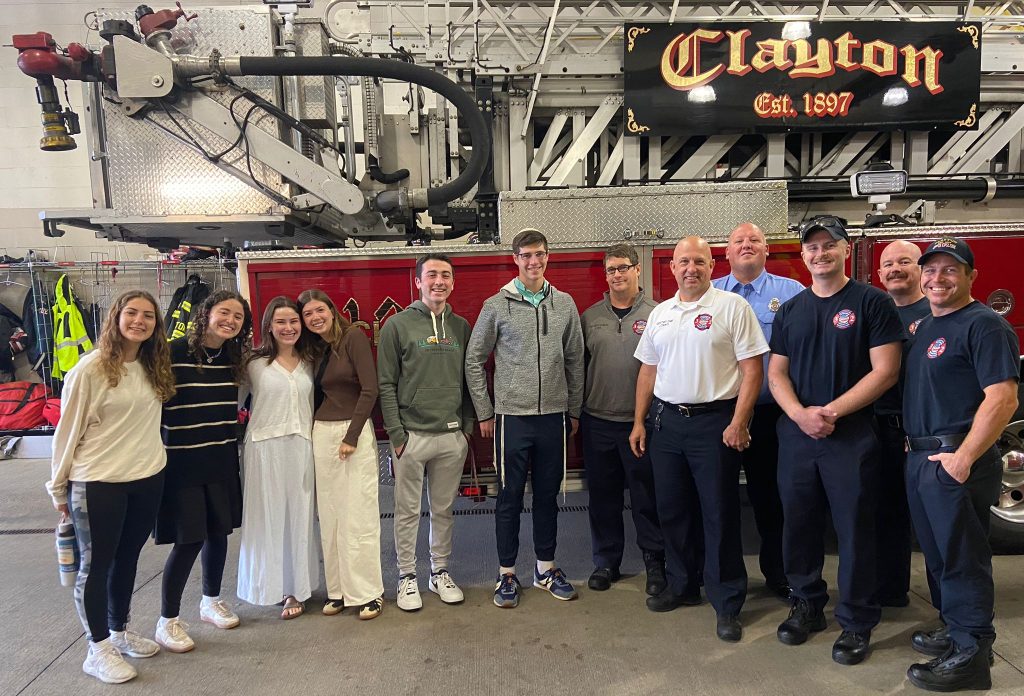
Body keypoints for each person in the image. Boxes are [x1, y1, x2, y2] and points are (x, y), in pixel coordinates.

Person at [767, 215, 903, 666]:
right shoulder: (790, 310)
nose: (819, 253)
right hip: (798, 437)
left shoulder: (872, 303)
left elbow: (886, 371)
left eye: (829, 245)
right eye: (812, 247)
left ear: (846, 249)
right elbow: (776, 371)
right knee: (799, 524)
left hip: (852, 437)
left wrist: (831, 412)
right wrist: (799, 415)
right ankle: (807, 605)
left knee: (855, 530)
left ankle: (857, 621)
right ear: (802, 254)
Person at [630, 236, 767, 642]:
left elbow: (753, 370)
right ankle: (683, 585)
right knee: (672, 509)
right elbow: (647, 372)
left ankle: (727, 602)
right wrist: (639, 422)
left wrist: (740, 423)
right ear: (670, 268)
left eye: (699, 262)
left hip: (715, 424)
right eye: (683, 262)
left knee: (719, 513)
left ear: (712, 265)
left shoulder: (732, 307)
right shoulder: (661, 314)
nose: (691, 269)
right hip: (667, 424)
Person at [902, 238, 1018, 692]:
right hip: (924, 456)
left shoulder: (985, 326)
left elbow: (1003, 398)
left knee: (962, 558)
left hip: (954, 457)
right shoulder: (929, 325)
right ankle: (955, 629)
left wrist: (964, 457)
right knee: (937, 556)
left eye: (950, 270)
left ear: (972, 276)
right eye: (930, 270)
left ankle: (972, 654)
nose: (937, 279)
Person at [46, 290, 176, 684]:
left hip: (147, 477)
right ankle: (96, 648)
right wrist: (58, 487)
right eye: (132, 313)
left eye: (148, 316)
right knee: (96, 565)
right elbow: (66, 432)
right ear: (116, 318)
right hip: (98, 480)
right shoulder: (91, 369)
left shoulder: (154, 366)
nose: (139, 321)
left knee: (128, 558)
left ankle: (118, 631)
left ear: (156, 325)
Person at [465, 228, 585, 609]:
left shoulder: (564, 304)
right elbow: (473, 360)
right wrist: (485, 410)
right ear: (515, 259)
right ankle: (506, 575)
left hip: (552, 417)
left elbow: (574, 360)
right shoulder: (495, 305)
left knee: (549, 497)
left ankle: (545, 569)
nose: (534, 262)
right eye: (526, 255)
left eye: (540, 255)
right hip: (512, 418)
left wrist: (573, 408)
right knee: (509, 499)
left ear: (548, 257)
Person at [154, 290, 251, 653]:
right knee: (189, 538)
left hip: (221, 458)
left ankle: (210, 600)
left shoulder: (233, 357)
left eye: (238, 317)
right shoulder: (172, 351)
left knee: (218, 532)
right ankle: (168, 620)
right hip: (181, 462)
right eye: (224, 312)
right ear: (206, 313)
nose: (230, 321)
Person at [711, 222, 804, 601]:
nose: (746, 245)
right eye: (738, 241)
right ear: (727, 253)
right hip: (719, 414)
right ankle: (720, 576)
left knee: (773, 499)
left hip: (771, 416)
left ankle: (779, 574)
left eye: (754, 241)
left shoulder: (793, 293)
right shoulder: (709, 293)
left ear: (768, 250)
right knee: (718, 499)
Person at [378, 254, 474, 612]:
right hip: (411, 437)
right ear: (417, 281)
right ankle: (406, 577)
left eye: (446, 275)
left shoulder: (462, 327)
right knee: (405, 512)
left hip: (451, 437)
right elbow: (386, 384)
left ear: (453, 282)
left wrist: (465, 428)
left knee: (444, 509)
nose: (439, 281)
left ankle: (439, 572)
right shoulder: (397, 326)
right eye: (431, 274)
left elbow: (469, 380)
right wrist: (397, 436)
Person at [580, 243, 666, 595]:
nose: (617, 275)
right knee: (603, 498)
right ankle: (606, 562)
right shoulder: (590, 317)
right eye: (611, 269)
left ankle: (654, 561)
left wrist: (644, 420)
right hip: (597, 421)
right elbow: (577, 368)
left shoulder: (659, 313)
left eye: (623, 268)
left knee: (647, 498)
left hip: (640, 424)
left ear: (637, 270)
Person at [298, 288, 384, 620]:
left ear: (332, 310)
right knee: (330, 515)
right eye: (307, 315)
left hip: (354, 432)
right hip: (321, 434)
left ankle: (368, 593)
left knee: (358, 515)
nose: (314, 317)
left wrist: (351, 436)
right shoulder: (313, 348)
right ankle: (338, 591)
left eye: (319, 310)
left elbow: (370, 388)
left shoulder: (353, 338)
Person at [237, 297, 319, 620]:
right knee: (268, 519)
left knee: (299, 517)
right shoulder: (253, 363)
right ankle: (269, 586)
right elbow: (233, 403)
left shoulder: (310, 361)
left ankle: (295, 589)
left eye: (294, 322)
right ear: (269, 325)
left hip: (301, 446)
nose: (288, 328)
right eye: (281, 322)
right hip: (263, 448)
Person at [873, 240, 930, 608]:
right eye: (888, 263)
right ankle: (891, 590)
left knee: (927, 520)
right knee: (883, 512)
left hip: (921, 432)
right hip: (878, 427)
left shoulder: (937, 312)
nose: (895, 269)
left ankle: (951, 612)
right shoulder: (876, 312)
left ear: (921, 270)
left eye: (904, 262)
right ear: (878, 274)